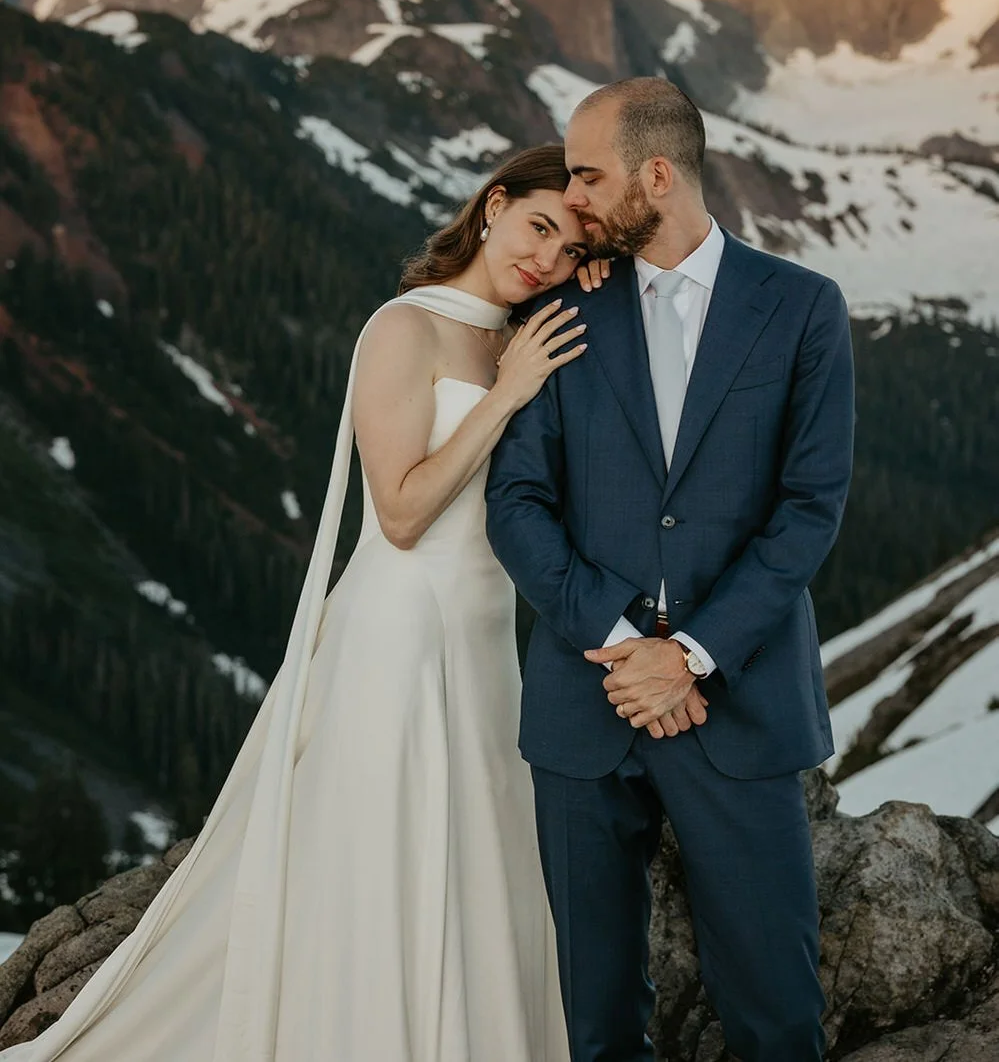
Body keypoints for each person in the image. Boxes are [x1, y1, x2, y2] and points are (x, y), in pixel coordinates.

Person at [2, 144, 598, 1062]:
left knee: (476, 868)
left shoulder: (520, 328)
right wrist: (508, 392)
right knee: (380, 870)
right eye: (539, 226)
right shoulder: (406, 329)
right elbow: (398, 511)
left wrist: (585, 295)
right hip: (401, 631)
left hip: (484, 639)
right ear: (493, 206)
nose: (546, 258)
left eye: (570, 247)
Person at [486, 78, 855, 1062]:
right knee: (595, 1023)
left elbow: (808, 511)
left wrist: (688, 655)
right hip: (581, 706)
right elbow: (516, 503)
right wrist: (620, 644)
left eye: (587, 176)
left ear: (658, 174)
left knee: (776, 1014)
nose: (571, 200)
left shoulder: (804, 311)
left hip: (741, 703)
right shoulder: (559, 312)